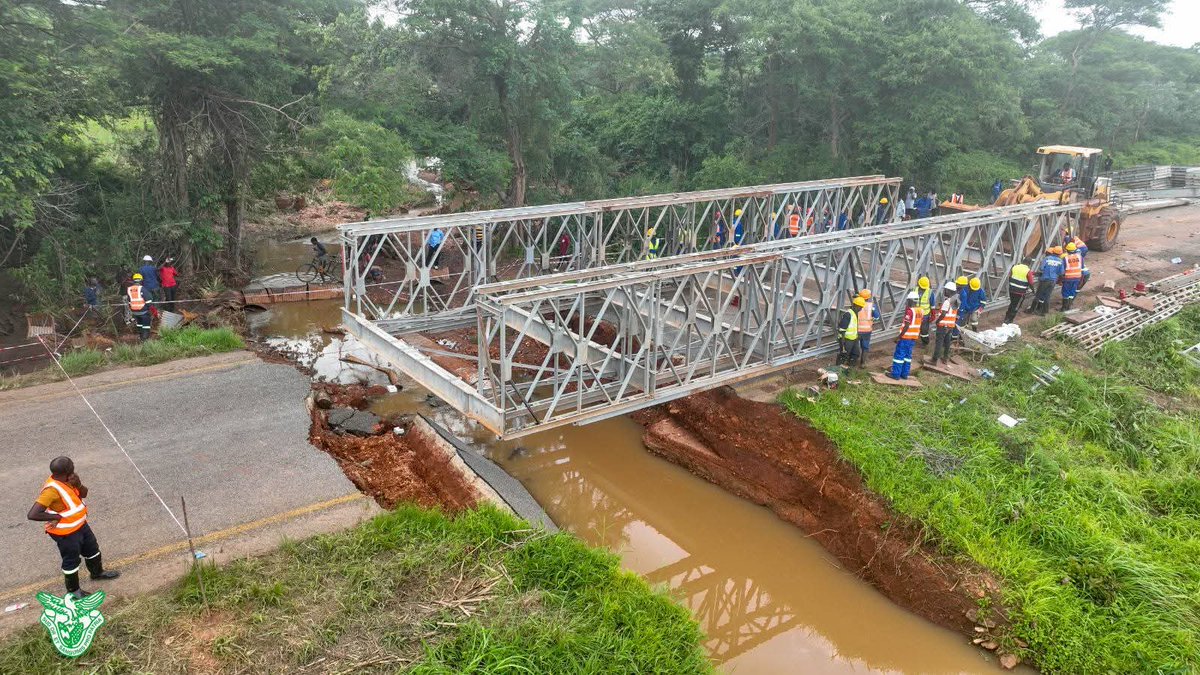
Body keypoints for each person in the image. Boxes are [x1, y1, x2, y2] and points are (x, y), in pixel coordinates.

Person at [27, 456, 120, 599]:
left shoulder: (70, 480)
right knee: (71, 560)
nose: (74, 467)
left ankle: (97, 573)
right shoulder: (51, 490)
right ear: (67, 470)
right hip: (66, 533)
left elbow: (84, 494)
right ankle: (74, 591)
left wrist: (78, 484)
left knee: (92, 550)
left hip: (81, 525)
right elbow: (33, 514)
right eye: (72, 465)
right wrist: (56, 517)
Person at [890, 292, 922, 380]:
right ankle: (904, 374)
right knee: (907, 356)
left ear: (910, 301)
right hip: (913, 338)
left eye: (907, 301)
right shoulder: (920, 310)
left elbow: (907, 326)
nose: (906, 303)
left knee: (899, 356)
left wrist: (899, 337)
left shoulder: (910, 311)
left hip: (905, 338)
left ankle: (895, 375)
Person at [930, 282, 960, 366]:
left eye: (945, 290)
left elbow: (943, 314)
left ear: (949, 291)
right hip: (950, 326)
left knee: (939, 342)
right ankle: (945, 358)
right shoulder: (956, 300)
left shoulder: (947, 302)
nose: (944, 291)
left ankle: (934, 360)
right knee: (947, 343)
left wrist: (937, 321)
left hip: (943, 325)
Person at [1029, 246, 1064, 315]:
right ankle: (1044, 311)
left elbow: (1041, 268)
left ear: (1053, 251)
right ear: (1060, 254)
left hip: (1044, 279)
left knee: (1038, 295)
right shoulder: (1060, 261)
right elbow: (1061, 273)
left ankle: (1031, 310)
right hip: (1053, 280)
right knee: (1047, 296)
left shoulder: (1047, 259)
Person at [1004, 257, 1034, 323]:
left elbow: (1010, 276)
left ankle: (1006, 317)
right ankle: (1009, 319)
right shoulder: (1028, 271)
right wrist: (1033, 290)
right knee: (1016, 305)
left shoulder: (1015, 267)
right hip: (1020, 291)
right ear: (1029, 263)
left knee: (1012, 303)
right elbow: (1031, 282)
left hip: (1011, 289)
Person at [855, 289, 881, 367]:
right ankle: (863, 363)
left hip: (856, 329)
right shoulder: (872, 306)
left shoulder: (857, 304)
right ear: (868, 297)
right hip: (867, 330)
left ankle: (852, 361)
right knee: (865, 346)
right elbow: (877, 317)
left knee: (855, 345)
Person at [837, 298, 862, 369]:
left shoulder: (855, 313)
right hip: (846, 339)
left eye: (861, 308)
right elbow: (842, 329)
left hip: (854, 338)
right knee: (844, 355)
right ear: (855, 305)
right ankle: (838, 370)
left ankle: (850, 369)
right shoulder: (848, 314)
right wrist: (843, 340)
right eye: (859, 307)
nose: (860, 309)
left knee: (856, 354)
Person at [127, 273, 152, 340]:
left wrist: (132, 309)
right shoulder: (142, 289)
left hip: (134, 311)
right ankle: (145, 339)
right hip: (143, 311)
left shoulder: (129, 289)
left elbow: (129, 301)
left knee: (139, 324)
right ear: (141, 280)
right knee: (146, 325)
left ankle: (141, 336)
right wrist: (150, 308)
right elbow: (148, 300)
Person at [1061, 242, 1084, 310]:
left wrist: (1061, 279)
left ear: (1067, 250)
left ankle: (1063, 308)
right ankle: (1068, 307)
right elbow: (1082, 269)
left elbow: (1062, 271)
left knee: (1065, 292)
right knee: (1072, 292)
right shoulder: (1080, 257)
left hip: (1068, 278)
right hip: (1077, 278)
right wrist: (1081, 280)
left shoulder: (1065, 258)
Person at [914, 276, 934, 345]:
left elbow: (932, 305)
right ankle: (913, 340)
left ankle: (925, 342)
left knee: (924, 330)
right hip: (915, 313)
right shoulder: (914, 290)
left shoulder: (930, 292)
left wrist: (933, 314)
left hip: (925, 314)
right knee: (914, 327)